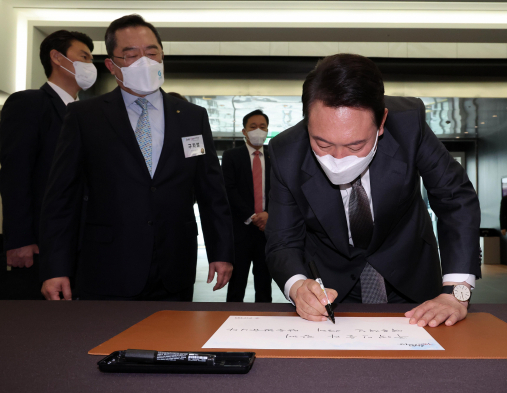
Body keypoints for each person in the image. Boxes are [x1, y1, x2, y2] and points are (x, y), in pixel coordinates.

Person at [266, 54, 481, 327]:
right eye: (322, 143)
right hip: (331, 292)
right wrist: (297, 286)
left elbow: (455, 198)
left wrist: (455, 292)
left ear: (381, 123)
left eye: (355, 146)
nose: (339, 158)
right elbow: (283, 240)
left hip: (413, 277)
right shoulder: (287, 153)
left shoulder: (408, 126)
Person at [39, 14, 234, 301]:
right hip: (108, 265)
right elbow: (61, 196)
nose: (145, 61)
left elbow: (211, 191)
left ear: (162, 55)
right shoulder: (85, 116)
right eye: (131, 54)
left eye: (152, 52)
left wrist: (222, 251)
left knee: (171, 343)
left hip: (175, 264)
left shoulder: (192, 117)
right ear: (111, 64)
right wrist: (55, 266)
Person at [0, 30, 95, 300]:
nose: (90, 65)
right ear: (57, 57)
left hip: (82, 243)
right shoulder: (29, 103)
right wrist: (19, 239)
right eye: (84, 56)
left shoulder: (88, 114)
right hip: (40, 243)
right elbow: (15, 174)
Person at [222, 109, 273, 302]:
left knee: (264, 283)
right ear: (244, 131)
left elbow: (280, 190)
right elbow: (229, 189)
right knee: (237, 283)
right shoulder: (231, 156)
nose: (258, 130)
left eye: (262, 127)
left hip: (266, 231)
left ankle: (265, 322)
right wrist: (252, 216)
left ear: (268, 130)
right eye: (253, 127)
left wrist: (268, 214)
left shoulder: (273, 156)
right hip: (241, 231)